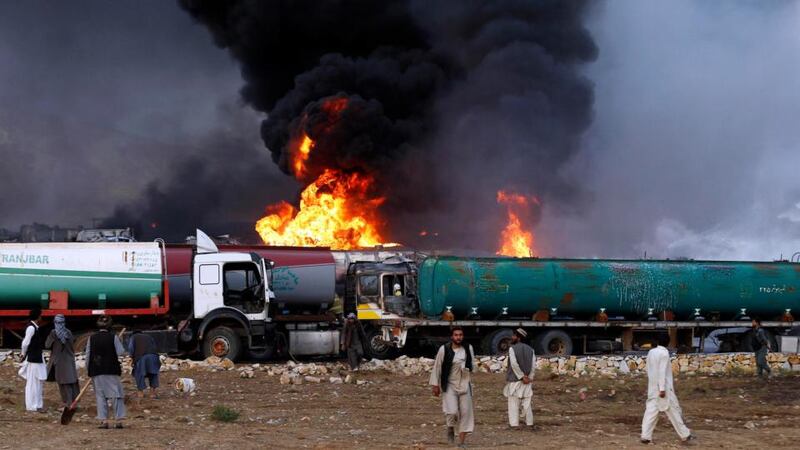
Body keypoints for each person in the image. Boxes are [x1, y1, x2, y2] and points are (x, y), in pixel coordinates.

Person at [641, 334, 692, 444]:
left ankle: (645, 436)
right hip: (663, 388)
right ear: (668, 342)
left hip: (652, 386)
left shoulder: (651, 352)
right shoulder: (664, 353)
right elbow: (662, 372)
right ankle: (685, 434)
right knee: (673, 410)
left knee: (650, 412)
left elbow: (649, 369)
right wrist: (662, 389)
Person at [429, 327, 476, 447]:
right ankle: (450, 427)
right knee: (452, 411)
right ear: (452, 337)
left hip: (465, 383)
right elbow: (437, 366)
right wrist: (435, 384)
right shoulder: (444, 349)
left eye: (460, 335)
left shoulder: (468, 348)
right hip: (449, 383)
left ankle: (461, 442)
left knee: (466, 413)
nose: (458, 337)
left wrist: (467, 368)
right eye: (456, 335)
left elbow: (473, 365)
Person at [86, 316, 126, 429]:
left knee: (100, 396)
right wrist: (119, 341)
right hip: (111, 370)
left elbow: (88, 355)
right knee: (116, 395)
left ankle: (104, 421)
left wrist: (89, 370)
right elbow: (121, 352)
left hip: (96, 370)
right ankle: (118, 421)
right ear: (109, 326)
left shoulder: (91, 338)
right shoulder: (113, 337)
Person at [45, 314, 80, 407]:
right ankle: (74, 403)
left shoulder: (54, 333)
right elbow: (72, 345)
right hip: (69, 360)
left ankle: (68, 404)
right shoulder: (68, 332)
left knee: (63, 384)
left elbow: (47, 345)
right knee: (72, 383)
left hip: (59, 361)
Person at [504, 328, 535, 429]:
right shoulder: (531, 350)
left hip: (515, 380)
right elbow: (533, 366)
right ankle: (529, 423)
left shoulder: (512, 349)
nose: (512, 337)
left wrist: (521, 377)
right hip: (527, 381)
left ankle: (514, 424)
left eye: (514, 336)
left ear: (518, 337)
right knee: (527, 403)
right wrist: (529, 378)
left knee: (513, 402)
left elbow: (514, 364)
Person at [18, 308, 47, 412]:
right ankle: (32, 406)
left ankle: (37, 405)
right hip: (33, 359)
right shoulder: (31, 328)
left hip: (36, 358)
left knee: (38, 382)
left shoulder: (35, 327)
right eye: (40, 315)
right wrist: (23, 354)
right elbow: (25, 343)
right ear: (38, 316)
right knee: (33, 383)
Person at [128, 331, 161, 399]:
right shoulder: (149, 337)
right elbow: (154, 346)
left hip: (142, 357)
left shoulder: (133, 337)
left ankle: (141, 393)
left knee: (139, 374)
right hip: (154, 356)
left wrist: (131, 357)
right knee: (153, 374)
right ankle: (152, 394)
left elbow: (131, 348)